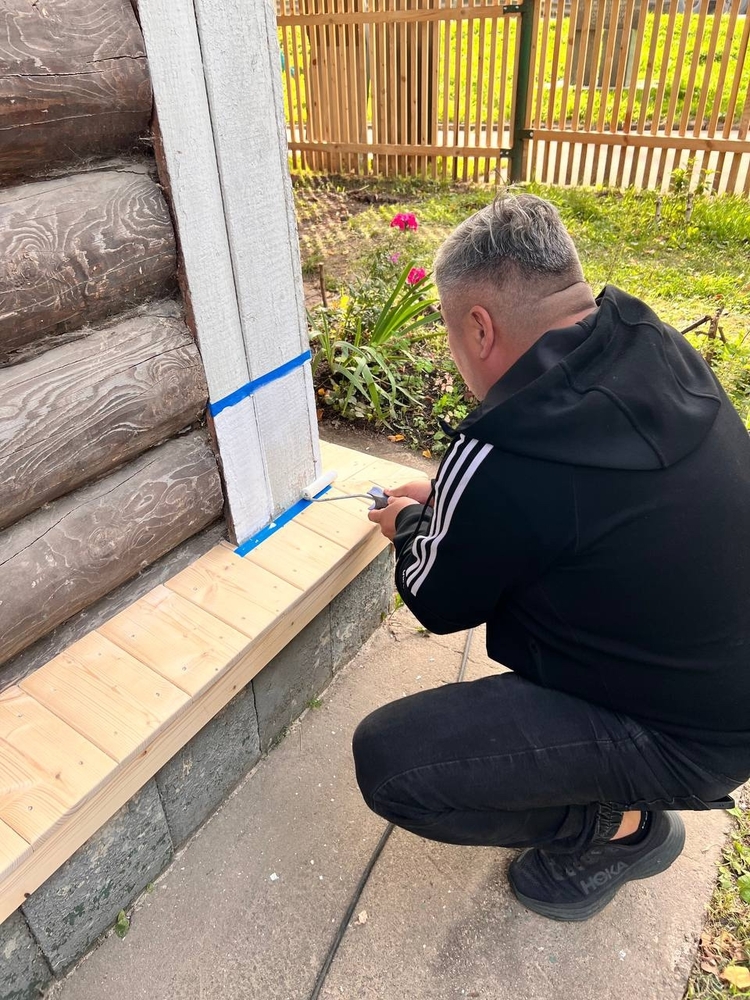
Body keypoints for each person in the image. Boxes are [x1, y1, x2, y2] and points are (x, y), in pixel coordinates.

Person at [354, 193, 750, 922]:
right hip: (722, 688)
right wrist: (455, 501)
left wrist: (409, 522)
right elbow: (573, 501)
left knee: (391, 764)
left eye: (451, 332)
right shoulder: (653, 342)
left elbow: (437, 599)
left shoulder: (510, 438)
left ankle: (617, 831)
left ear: (480, 327)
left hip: (688, 739)